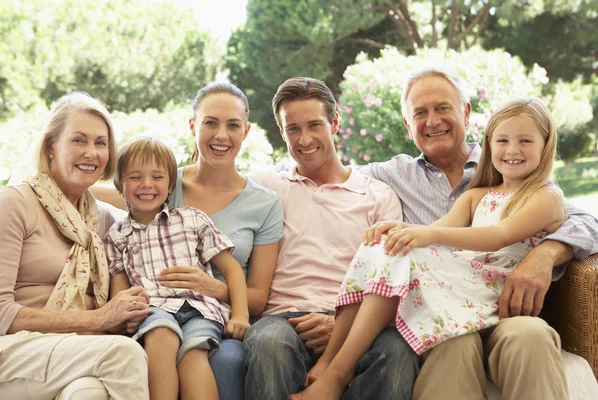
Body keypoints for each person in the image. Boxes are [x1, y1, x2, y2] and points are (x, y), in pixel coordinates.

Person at [291, 97, 566, 400]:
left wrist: (428, 235)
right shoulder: (477, 196)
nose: (512, 150)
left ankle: (338, 374)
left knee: (402, 255)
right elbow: (442, 227)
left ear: (546, 145)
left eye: (524, 140)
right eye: (503, 140)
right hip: (462, 290)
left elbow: (499, 235)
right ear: (490, 143)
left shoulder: (545, 197)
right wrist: (398, 229)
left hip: (495, 292)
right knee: (385, 246)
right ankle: (332, 362)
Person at [354, 65, 598, 399]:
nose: (433, 120)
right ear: (407, 124)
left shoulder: (509, 165)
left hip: (508, 311)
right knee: (453, 344)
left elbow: (586, 222)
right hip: (446, 313)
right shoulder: (392, 174)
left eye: (443, 108)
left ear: (466, 113)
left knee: (530, 336)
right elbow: (330, 172)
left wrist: (547, 253)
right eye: (420, 112)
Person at [92, 82, 283, 400]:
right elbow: (115, 189)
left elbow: (256, 295)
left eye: (232, 125)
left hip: (211, 312)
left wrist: (211, 288)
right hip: (156, 311)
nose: (221, 135)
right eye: (210, 122)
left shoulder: (261, 204)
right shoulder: (164, 180)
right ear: (193, 126)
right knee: (161, 338)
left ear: (245, 131)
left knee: (219, 357)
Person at [243, 77, 418, 400]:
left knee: (397, 351)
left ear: (334, 123)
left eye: (314, 125)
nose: (304, 139)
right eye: (292, 129)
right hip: (284, 319)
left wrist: (340, 327)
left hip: (356, 323)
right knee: (268, 344)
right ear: (281, 133)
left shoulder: (377, 195)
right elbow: (199, 184)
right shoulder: (267, 185)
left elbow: (389, 278)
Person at [0, 92, 152, 400]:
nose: (91, 153)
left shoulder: (100, 218)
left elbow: (150, 197)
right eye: (79, 141)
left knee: (90, 393)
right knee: (123, 354)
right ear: (50, 148)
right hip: (12, 348)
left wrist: (127, 313)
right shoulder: (14, 203)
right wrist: (100, 318)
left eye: (100, 143)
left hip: (71, 350)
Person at [105, 136, 251, 400]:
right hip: (153, 310)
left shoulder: (192, 219)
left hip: (200, 309)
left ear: (171, 184)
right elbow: (119, 293)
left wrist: (240, 315)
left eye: (157, 177)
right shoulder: (117, 235)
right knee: (161, 335)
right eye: (135, 177)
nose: (147, 184)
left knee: (194, 354)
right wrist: (126, 312)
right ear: (120, 184)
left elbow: (232, 270)